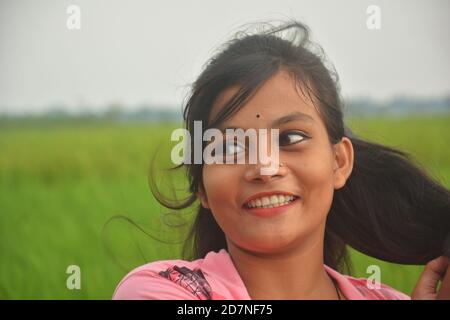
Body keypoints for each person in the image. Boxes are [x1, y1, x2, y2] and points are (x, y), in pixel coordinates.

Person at [113, 20, 450, 300]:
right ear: (201, 185)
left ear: (339, 162)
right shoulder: (164, 291)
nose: (264, 167)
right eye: (230, 148)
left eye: (290, 138)